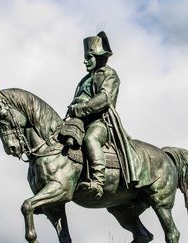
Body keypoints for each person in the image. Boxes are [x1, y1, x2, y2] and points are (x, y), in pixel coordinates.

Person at [67, 31, 122, 199]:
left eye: (89, 56)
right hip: (79, 121)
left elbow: (105, 98)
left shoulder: (109, 74)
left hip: (101, 122)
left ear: (98, 57)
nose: (85, 60)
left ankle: (97, 183)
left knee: (90, 139)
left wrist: (80, 108)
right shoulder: (84, 79)